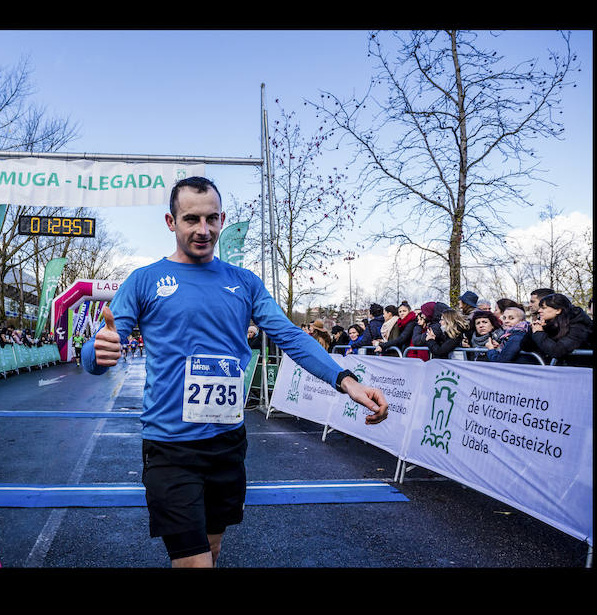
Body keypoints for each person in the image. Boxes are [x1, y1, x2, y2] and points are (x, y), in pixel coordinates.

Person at [82, 176, 388, 568]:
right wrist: (98, 352)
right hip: (170, 446)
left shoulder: (243, 282)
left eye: (211, 219)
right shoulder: (145, 280)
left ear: (223, 218)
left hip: (227, 442)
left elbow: (292, 337)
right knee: (195, 563)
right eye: (191, 219)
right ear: (170, 221)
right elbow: (97, 352)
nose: (203, 230)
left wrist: (346, 381)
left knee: (212, 551)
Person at [528, 293, 593, 366]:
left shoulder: (579, 325)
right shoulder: (547, 322)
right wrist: (533, 329)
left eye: (544, 308)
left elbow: (558, 351)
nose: (539, 311)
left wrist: (539, 333)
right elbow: (526, 347)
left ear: (558, 310)